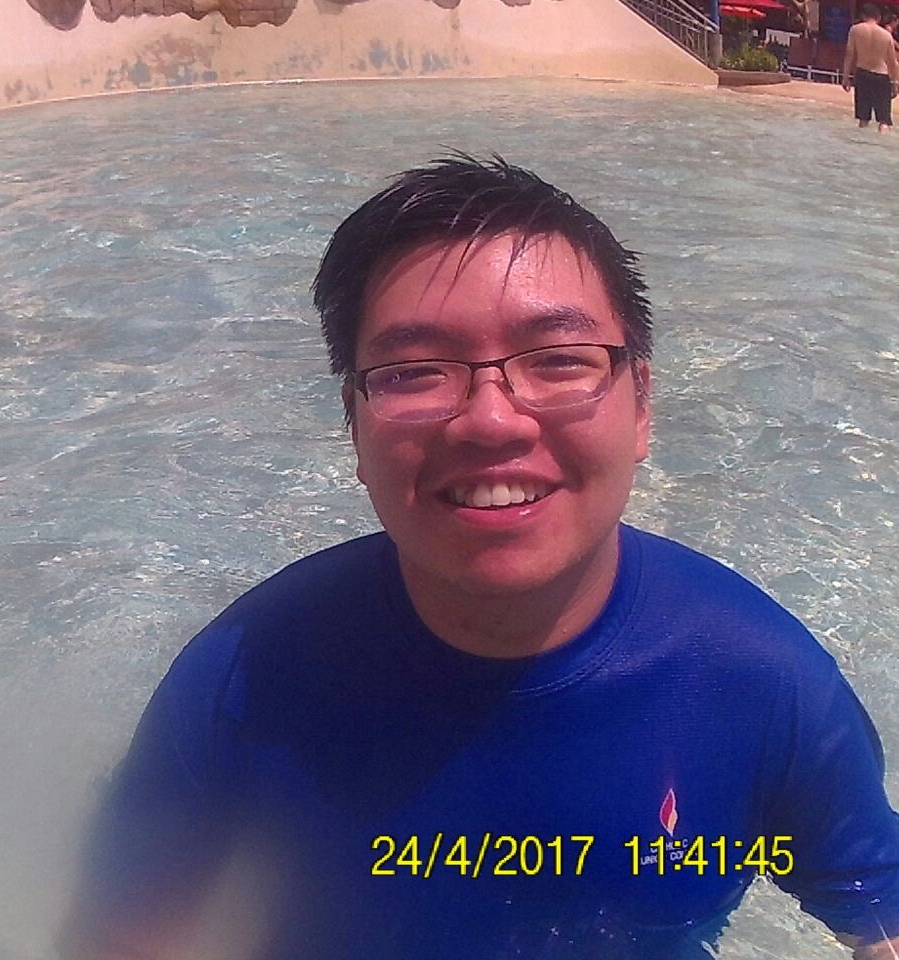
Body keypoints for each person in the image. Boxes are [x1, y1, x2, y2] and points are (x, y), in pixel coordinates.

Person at [60, 155, 899, 959]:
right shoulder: (245, 680)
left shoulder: (762, 687)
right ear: (354, 424)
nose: (492, 421)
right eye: (414, 371)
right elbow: (121, 938)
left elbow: (880, 920)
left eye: (558, 360)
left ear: (642, 404)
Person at [844, 3, 899, 131]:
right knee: (884, 121)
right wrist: (895, 83)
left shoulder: (855, 30)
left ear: (863, 16)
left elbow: (849, 54)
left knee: (863, 119)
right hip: (881, 76)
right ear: (878, 17)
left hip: (862, 75)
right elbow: (892, 63)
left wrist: (845, 77)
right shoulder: (886, 35)